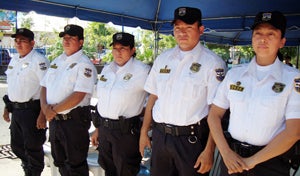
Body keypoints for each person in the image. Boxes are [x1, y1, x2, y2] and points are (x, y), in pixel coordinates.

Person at [207, 11, 300, 176]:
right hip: (232, 158)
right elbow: (214, 115)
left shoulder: (293, 79)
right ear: (252, 39)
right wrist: (225, 152)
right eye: (258, 33)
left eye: (271, 34)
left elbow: (294, 132)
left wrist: (252, 161)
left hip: (270, 163)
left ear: (282, 42)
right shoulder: (235, 74)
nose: (263, 39)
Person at [139, 7, 226, 176]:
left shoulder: (213, 63)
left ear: (201, 30)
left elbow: (216, 113)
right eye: (178, 28)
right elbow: (153, 98)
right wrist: (144, 132)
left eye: (188, 28)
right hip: (160, 137)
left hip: (191, 142)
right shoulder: (163, 59)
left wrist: (209, 150)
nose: (182, 33)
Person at [40, 24, 97, 176]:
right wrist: (44, 109)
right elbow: (44, 86)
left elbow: (79, 94)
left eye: (71, 38)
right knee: (59, 162)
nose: (66, 41)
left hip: (74, 122)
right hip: (54, 121)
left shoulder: (85, 64)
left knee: (75, 166)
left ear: (81, 42)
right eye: (65, 38)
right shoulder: (57, 61)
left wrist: (52, 111)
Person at [91, 32, 150, 176]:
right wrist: (98, 129)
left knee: (126, 171)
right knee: (109, 170)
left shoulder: (142, 71)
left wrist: (145, 127)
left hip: (126, 133)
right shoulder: (107, 69)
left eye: (123, 48)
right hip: (105, 131)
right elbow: (103, 101)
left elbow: (155, 99)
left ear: (133, 50)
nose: (118, 52)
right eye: (115, 48)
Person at [2, 28, 49, 176]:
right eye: (16, 41)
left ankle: (33, 173)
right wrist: (7, 106)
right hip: (17, 110)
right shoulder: (15, 59)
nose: (18, 44)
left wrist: (43, 114)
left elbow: (47, 88)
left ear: (32, 43)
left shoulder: (39, 61)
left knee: (33, 148)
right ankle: (28, 171)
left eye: (23, 41)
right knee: (17, 147)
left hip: (32, 110)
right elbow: (13, 86)